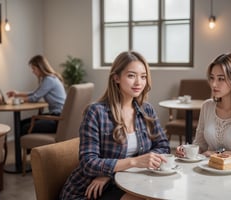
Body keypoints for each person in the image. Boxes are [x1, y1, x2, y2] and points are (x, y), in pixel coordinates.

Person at [60, 51, 170, 200]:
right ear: (116, 78)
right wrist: (134, 162)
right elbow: (88, 163)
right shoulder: (96, 112)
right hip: (88, 191)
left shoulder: (146, 110)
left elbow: (163, 147)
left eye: (143, 76)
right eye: (131, 75)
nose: (139, 82)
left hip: (126, 182)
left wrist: (111, 174)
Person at [7, 55, 66, 135]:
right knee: (21, 124)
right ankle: (29, 146)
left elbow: (34, 98)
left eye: (34, 69)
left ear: (40, 68)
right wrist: (17, 94)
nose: (33, 71)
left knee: (24, 127)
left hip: (57, 119)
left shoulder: (49, 80)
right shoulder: (49, 78)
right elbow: (35, 93)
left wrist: (17, 101)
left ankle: (31, 147)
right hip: (57, 116)